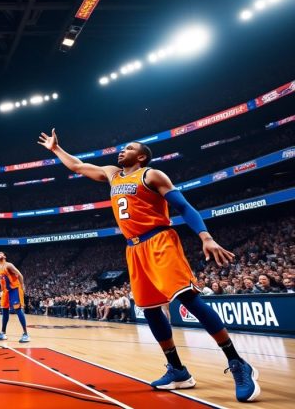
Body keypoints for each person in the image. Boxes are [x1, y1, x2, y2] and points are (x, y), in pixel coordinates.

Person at [38, 129, 260, 402]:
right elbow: (78, 165)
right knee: (151, 311)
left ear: (141, 156)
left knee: (188, 299)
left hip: (159, 240)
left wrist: (206, 237)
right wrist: (56, 150)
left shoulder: (151, 175)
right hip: (134, 248)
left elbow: (184, 207)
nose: (121, 150)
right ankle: (178, 370)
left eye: (128, 148)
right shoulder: (112, 174)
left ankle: (238, 362)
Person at [0, 252, 30, 343]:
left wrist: (22, 286)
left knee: (18, 309)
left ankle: (26, 334)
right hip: (5, 291)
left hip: (14, 289)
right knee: (4, 310)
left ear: (4, 256)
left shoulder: (9, 265)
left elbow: (20, 275)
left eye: (1, 253)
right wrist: (2, 291)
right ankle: (3, 333)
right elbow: (1, 281)